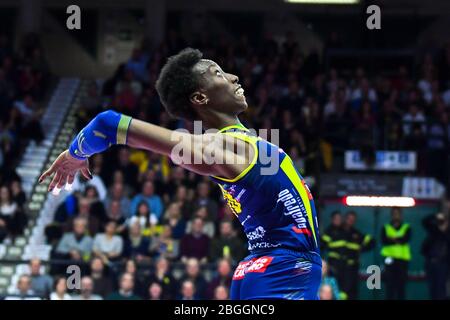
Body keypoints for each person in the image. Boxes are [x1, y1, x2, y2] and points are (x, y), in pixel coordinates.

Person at [39, 48, 321, 300]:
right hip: (280, 271)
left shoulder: (239, 142)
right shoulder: (216, 146)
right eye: (219, 74)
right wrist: (76, 153)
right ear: (200, 97)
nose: (234, 77)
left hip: (271, 266)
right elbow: (107, 124)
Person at [342, 211, 375, 300]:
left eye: (353, 220)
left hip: (352, 267)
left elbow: (372, 242)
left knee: (352, 290)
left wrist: (362, 249)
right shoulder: (337, 231)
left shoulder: (356, 234)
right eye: (349, 219)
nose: (351, 221)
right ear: (345, 219)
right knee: (340, 290)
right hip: (339, 267)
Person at [381, 207, 411, 300]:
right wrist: (398, 239)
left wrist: (391, 238)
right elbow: (384, 240)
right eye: (394, 213)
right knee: (389, 284)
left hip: (402, 260)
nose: (395, 215)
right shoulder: (386, 227)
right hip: (389, 259)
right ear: (391, 215)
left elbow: (404, 240)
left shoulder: (406, 227)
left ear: (401, 215)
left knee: (401, 286)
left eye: (397, 213)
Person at [421, 212, 450, 300]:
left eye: (443, 221)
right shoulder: (433, 230)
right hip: (430, 263)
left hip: (443, 264)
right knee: (432, 288)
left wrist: (444, 230)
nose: (442, 223)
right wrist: (435, 216)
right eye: (440, 221)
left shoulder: (448, 233)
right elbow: (424, 221)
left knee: (440, 288)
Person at [320, 211, 346, 290]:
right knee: (334, 285)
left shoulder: (344, 231)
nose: (338, 221)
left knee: (345, 287)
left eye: (340, 219)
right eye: (336, 219)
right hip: (333, 265)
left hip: (345, 265)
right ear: (332, 220)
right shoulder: (328, 232)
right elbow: (321, 247)